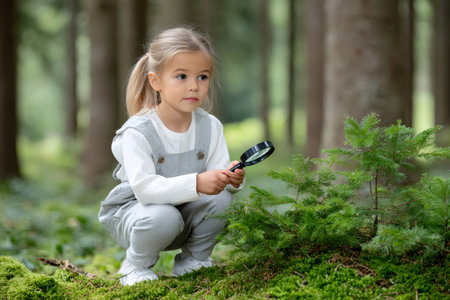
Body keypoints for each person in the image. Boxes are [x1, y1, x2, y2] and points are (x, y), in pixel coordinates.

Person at [98, 27, 245, 286]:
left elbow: (217, 181)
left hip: (183, 217)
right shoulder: (138, 131)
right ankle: (134, 265)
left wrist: (230, 177)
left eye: (202, 77)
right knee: (163, 215)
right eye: (181, 76)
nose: (193, 86)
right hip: (138, 218)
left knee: (221, 201)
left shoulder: (210, 127)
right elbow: (145, 190)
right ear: (156, 81)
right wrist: (198, 183)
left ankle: (193, 261)